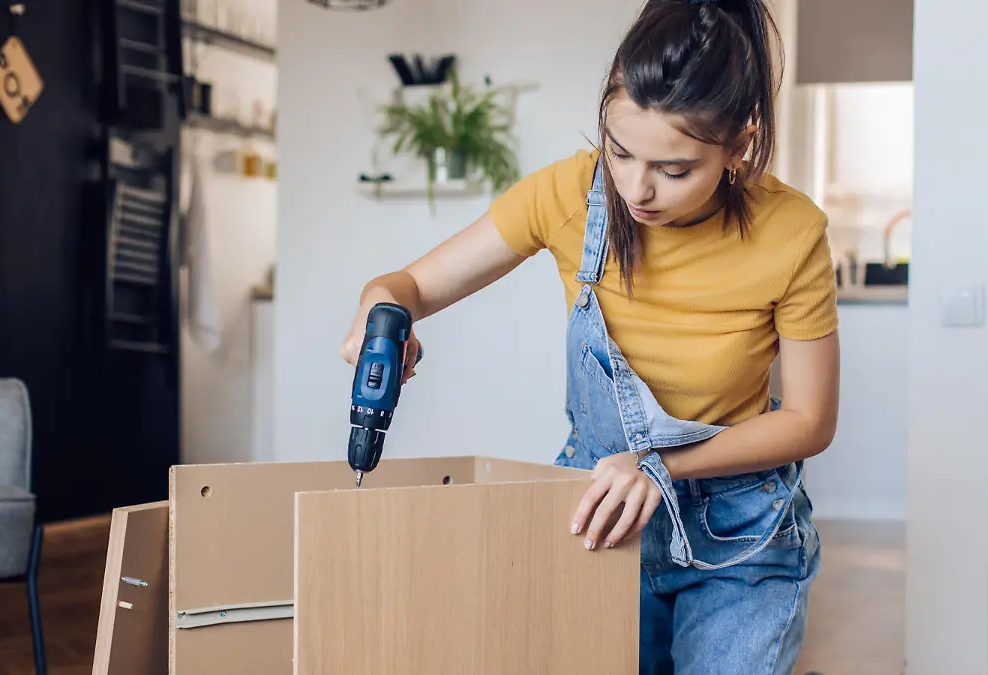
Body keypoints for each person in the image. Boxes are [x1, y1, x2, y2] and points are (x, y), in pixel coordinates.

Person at [340, 0, 840, 671]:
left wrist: (659, 466)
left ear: (740, 146)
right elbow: (410, 285)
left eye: (675, 169)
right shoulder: (568, 194)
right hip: (600, 516)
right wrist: (382, 314)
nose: (637, 188)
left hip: (741, 538)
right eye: (620, 150)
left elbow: (810, 418)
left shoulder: (792, 230)